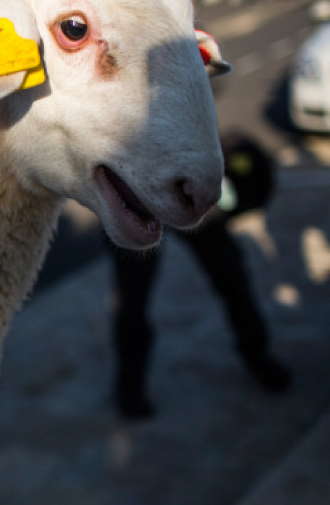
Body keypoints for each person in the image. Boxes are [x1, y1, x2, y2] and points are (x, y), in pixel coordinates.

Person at [110, 133, 291, 419]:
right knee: (132, 299)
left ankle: (257, 355)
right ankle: (129, 388)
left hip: (187, 191)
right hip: (135, 197)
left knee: (231, 276)